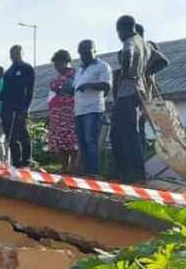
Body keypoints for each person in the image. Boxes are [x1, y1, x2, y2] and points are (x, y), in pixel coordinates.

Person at [112, 15, 149, 183]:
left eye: (118, 31)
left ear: (123, 29)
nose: (118, 36)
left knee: (119, 135)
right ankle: (138, 174)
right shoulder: (144, 43)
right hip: (139, 90)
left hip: (127, 92)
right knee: (133, 133)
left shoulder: (129, 43)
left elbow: (128, 56)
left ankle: (127, 174)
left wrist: (125, 73)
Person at [72, 39, 110, 176]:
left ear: (94, 51)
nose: (84, 55)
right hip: (79, 110)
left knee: (91, 141)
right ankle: (84, 172)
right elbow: (74, 88)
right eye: (81, 53)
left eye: (87, 52)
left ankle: (93, 173)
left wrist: (89, 85)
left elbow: (107, 86)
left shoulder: (102, 66)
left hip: (93, 110)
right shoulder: (80, 69)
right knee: (82, 143)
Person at [1, 45, 36, 167]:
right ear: (10, 56)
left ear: (22, 54)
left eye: (18, 53)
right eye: (13, 54)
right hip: (8, 109)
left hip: (20, 108)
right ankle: (16, 163)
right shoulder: (8, 72)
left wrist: (25, 109)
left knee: (23, 136)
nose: (15, 56)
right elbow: (5, 92)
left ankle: (26, 162)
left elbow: (30, 91)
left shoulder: (27, 69)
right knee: (11, 138)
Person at [46, 50, 78, 173]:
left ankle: (73, 167)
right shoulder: (58, 78)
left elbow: (73, 91)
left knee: (71, 142)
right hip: (56, 114)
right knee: (60, 143)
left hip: (69, 113)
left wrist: (62, 89)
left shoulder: (75, 75)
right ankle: (64, 167)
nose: (57, 67)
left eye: (59, 63)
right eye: (55, 65)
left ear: (67, 62)